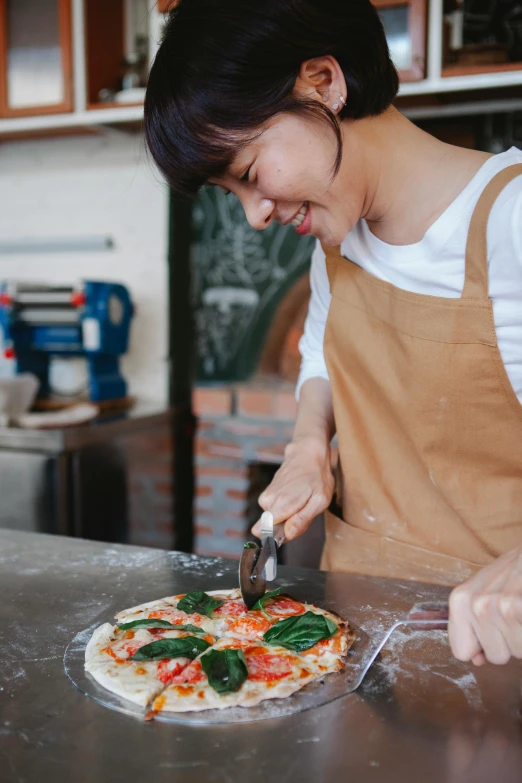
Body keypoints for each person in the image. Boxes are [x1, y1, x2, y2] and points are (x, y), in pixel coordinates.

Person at [144, 0, 522, 667]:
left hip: (492, 649)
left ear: (323, 81)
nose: (254, 216)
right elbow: (321, 356)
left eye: (249, 173)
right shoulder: (336, 244)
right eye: (230, 195)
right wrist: (305, 448)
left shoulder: (509, 223)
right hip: (359, 644)